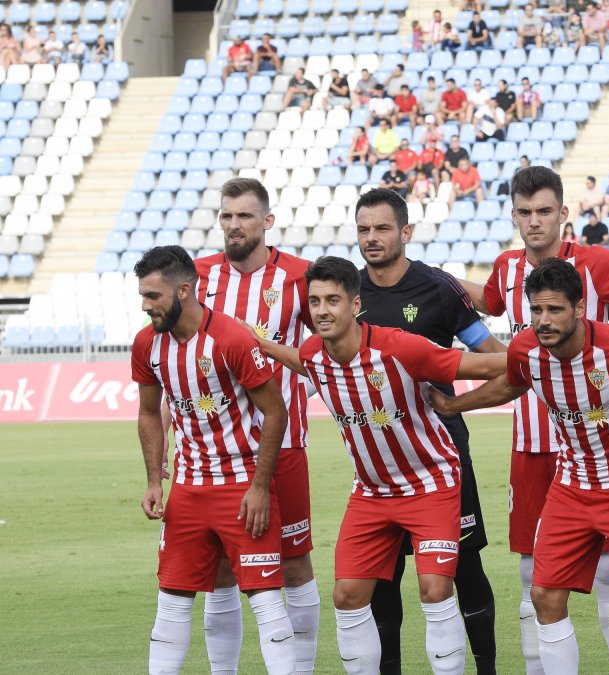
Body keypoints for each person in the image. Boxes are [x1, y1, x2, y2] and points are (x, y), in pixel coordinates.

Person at [254, 255, 506, 675]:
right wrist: (261, 344)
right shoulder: (316, 352)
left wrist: (541, 355)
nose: (322, 310)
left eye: (333, 300)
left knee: (435, 587)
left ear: (355, 306)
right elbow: (301, 360)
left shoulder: (400, 347)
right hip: (371, 493)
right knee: (348, 596)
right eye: (315, 301)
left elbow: (481, 364)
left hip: (431, 484)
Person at [431, 258, 609, 675]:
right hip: (572, 487)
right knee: (544, 596)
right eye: (536, 310)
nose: (543, 321)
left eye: (554, 310)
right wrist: (453, 404)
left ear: (580, 309)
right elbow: (510, 385)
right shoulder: (526, 350)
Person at [345, 188, 506, 674]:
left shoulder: (437, 287)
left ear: (406, 232)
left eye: (382, 228)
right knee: (383, 577)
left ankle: (486, 669)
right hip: (379, 464)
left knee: (465, 568)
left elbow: (491, 355)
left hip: (441, 456)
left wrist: (455, 403)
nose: (372, 238)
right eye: (364, 230)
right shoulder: (348, 292)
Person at [131, 245, 295, 675]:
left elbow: (275, 412)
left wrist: (260, 487)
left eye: (154, 296)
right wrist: (154, 480)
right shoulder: (147, 343)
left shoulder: (232, 339)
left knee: (266, 602)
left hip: (242, 486)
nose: (146, 306)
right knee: (171, 603)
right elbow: (150, 413)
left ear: (184, 290)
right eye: (143, 297)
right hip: (186, 490)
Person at [182, 179, 321, 673]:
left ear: (267, 221)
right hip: (216, 453)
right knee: (220, 568)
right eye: (226, 216)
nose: (234, 225)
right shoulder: (195, 278)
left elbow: (329, 349)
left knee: (292, 562)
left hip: (281, 446)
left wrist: (300, 396)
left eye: (244, 216)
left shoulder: (301, 277)